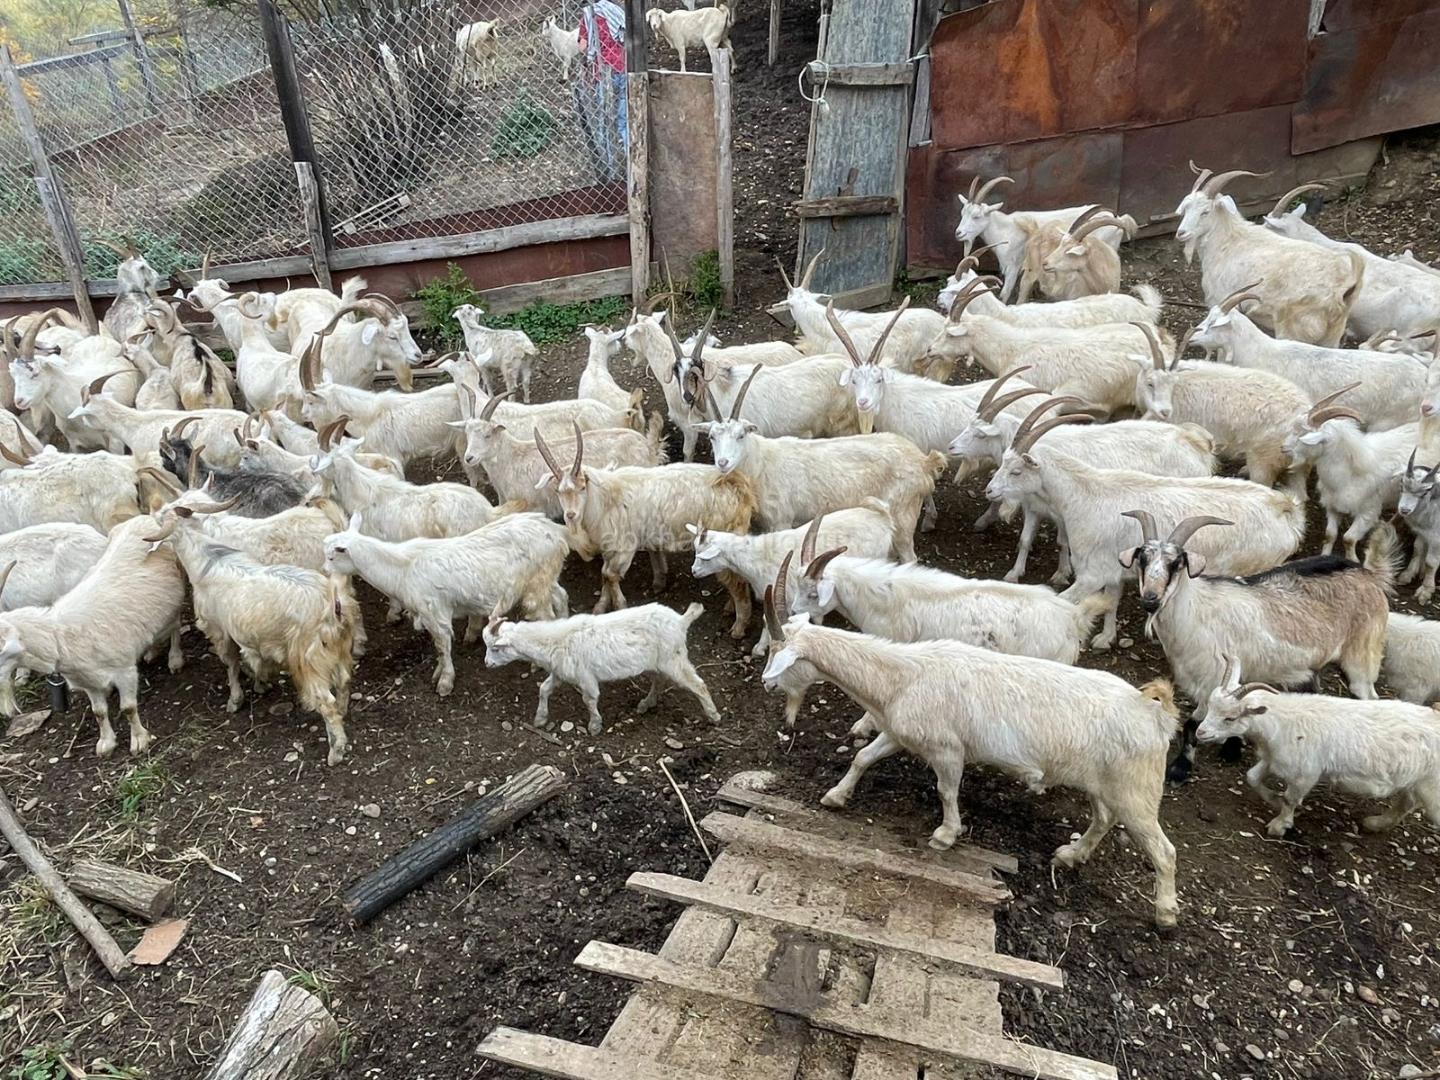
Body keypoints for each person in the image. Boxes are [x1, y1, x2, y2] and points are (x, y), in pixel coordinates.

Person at [576, 1, 628, 183]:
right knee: (623, 119)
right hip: (622, 67)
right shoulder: (615, 11)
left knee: (604, 121)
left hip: (603, 71)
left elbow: (583, 47)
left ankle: (608, 167)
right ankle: (629, 158)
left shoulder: (589, 15)